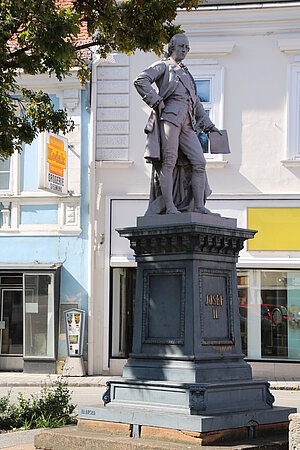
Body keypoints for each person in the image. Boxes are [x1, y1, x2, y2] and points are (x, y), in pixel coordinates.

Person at [134, 33, 220, 215]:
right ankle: (170, 207)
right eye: (181, 46)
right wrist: (156, 101)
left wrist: (209, 126)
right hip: (170, 120)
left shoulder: (187, 74)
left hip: (187, 125)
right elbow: (141, 80)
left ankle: (198, 206)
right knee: (169, 162)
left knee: (199, 162)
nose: (184, 50)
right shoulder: (163, 66)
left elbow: (195, 103)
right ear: (172, 46)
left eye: (187, 48)